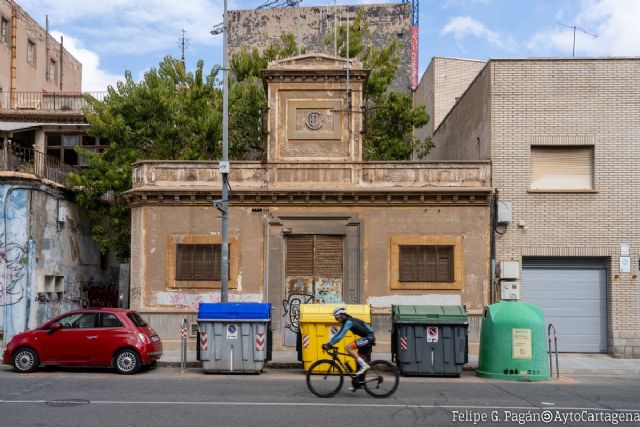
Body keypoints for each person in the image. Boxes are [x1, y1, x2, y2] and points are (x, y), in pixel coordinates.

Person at [322, 306, 375, 377]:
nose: (336, 320)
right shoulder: (348, 321)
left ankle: (364, 365)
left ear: (341, 316)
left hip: (369, 337)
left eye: (336, 318)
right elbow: (338, 334)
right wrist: (329, 343)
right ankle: (359, 383)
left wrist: (330, 345)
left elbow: (340, 336)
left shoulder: (349, 322)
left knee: (348, 347)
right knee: (358, 361)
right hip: (367, 337)